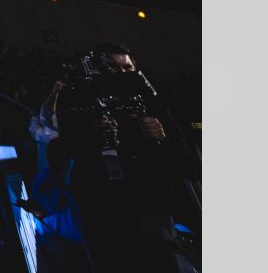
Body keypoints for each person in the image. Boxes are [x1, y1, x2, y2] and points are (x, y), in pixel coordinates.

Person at [56, 43, 197, 273]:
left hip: (155, 217)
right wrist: (92, 136)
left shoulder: (154, 109)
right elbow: (62, 156)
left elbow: (189, 166)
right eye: (113, 68)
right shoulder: (81, 109)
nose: (122, 74)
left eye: (127, 68)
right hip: (106, 222)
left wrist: (162, 139)